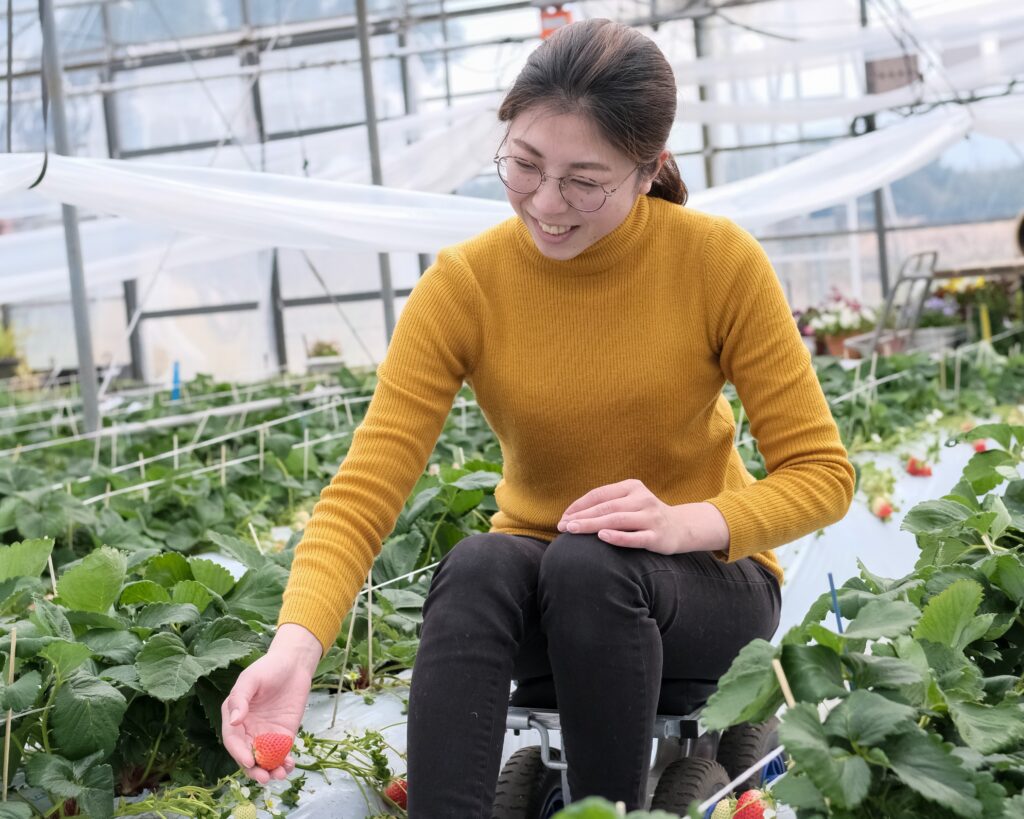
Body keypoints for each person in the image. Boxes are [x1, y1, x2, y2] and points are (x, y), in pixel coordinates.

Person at [221, 18, 855, 815]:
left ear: (647, 167)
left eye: (585, 180)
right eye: (524, 165)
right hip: (554, 599)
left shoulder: (718, 262)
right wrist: (295, 647)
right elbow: (366, 486)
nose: (546, 204)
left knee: (592, 564)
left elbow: (824, 476)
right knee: (482, 561)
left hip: (704, 591)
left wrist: (686, 521)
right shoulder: (466, 284)